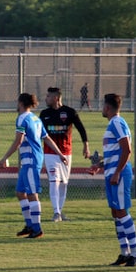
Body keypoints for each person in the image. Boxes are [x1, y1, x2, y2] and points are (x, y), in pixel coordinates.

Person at [0, 93, 67, 239]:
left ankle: (37, 228)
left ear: (21, 103)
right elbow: (46, 138)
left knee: (31, 194)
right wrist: (60, 153)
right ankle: (29, 225)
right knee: (20, 192)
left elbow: (18, 142)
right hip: (30, 160)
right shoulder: (35, 118)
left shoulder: (22, 118)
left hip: (31, 159)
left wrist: (4, 158)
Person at [95, 94, 136, 267]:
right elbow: (115, 151)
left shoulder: (116, 122)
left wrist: (116, 173)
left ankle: (135, 254)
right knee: (116, 212)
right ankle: (125, 253)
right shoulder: (113, 124)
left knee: (122, 212)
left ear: (107, 107)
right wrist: (100, 165)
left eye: (102, 105)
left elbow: (127, 150)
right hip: (112, 173)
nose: (102, 109)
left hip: (119, 174)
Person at [40, 86, 90, 222]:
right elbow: (40, 134)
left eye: (49, 96)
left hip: (67, 153)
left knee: (63, 183)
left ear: (56, 98)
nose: (46, 98)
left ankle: (60, 212)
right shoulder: (44, 114)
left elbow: (81, 129)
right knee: (54, 181)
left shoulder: (69, 112)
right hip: (50, 153)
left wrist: (86, 146)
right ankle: (56, 212)